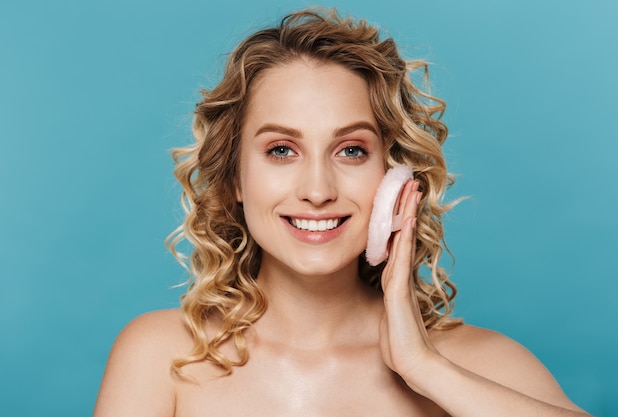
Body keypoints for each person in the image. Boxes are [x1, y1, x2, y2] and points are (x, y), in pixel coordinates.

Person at [94, 8, 592, 417]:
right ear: (235, 179)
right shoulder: (161, 357)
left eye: (351, 150)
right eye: (281, 150)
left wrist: (424, 368)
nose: (317, 191)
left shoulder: (475, 363)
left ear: (396, 178)